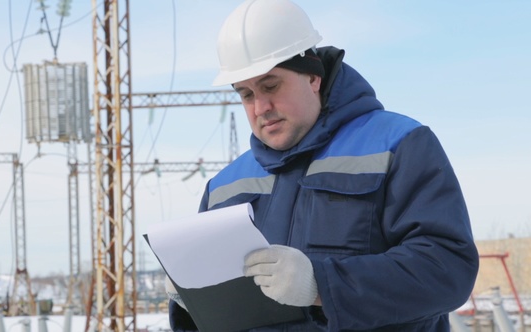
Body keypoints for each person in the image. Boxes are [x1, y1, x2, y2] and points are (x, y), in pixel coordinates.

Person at [166, 0, 479, 330]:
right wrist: (193, 302)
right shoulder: (224, 187)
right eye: (245, 94)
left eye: (271, 85)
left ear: (313, 76)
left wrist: (321, 284)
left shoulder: (398, 145)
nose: (260, 107)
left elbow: (447, 269)